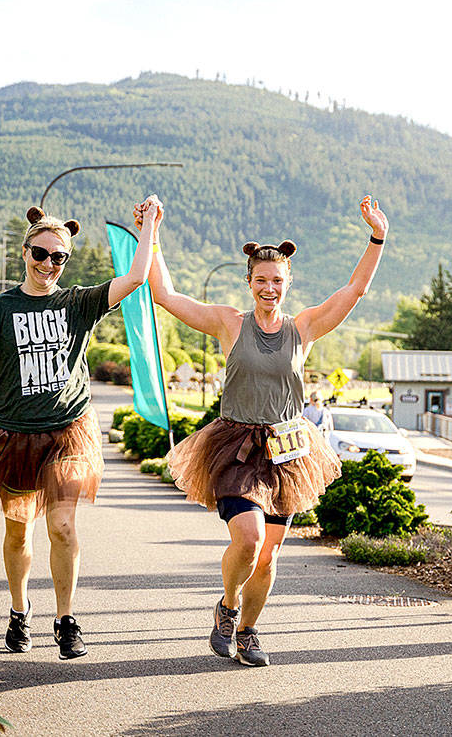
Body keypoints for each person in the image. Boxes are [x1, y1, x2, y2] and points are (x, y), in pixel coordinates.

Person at [140, 195, 388, 667]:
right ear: (249, 282)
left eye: (277, 281)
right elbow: (165, 296)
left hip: (287, 449)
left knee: (269, 556)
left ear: (287, 283)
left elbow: (354, 290)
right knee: (249, 539)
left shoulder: (305, 328)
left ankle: (250, 631)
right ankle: (227, 608)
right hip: (236, 446)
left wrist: (377, 236)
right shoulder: (229, 323)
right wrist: (152, 233)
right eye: (261, 281)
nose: (269, 288)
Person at [0, 199, 162, 660]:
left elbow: (135, 278)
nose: (49, 264)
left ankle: (66, 619)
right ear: (25, 252)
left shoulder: (78, 303)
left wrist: (149, 226)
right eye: (41, 254)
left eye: (59, 257)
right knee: (18, 532)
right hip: (13, 434)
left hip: (69, 431)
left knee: (64, 525)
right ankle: (19, 610)